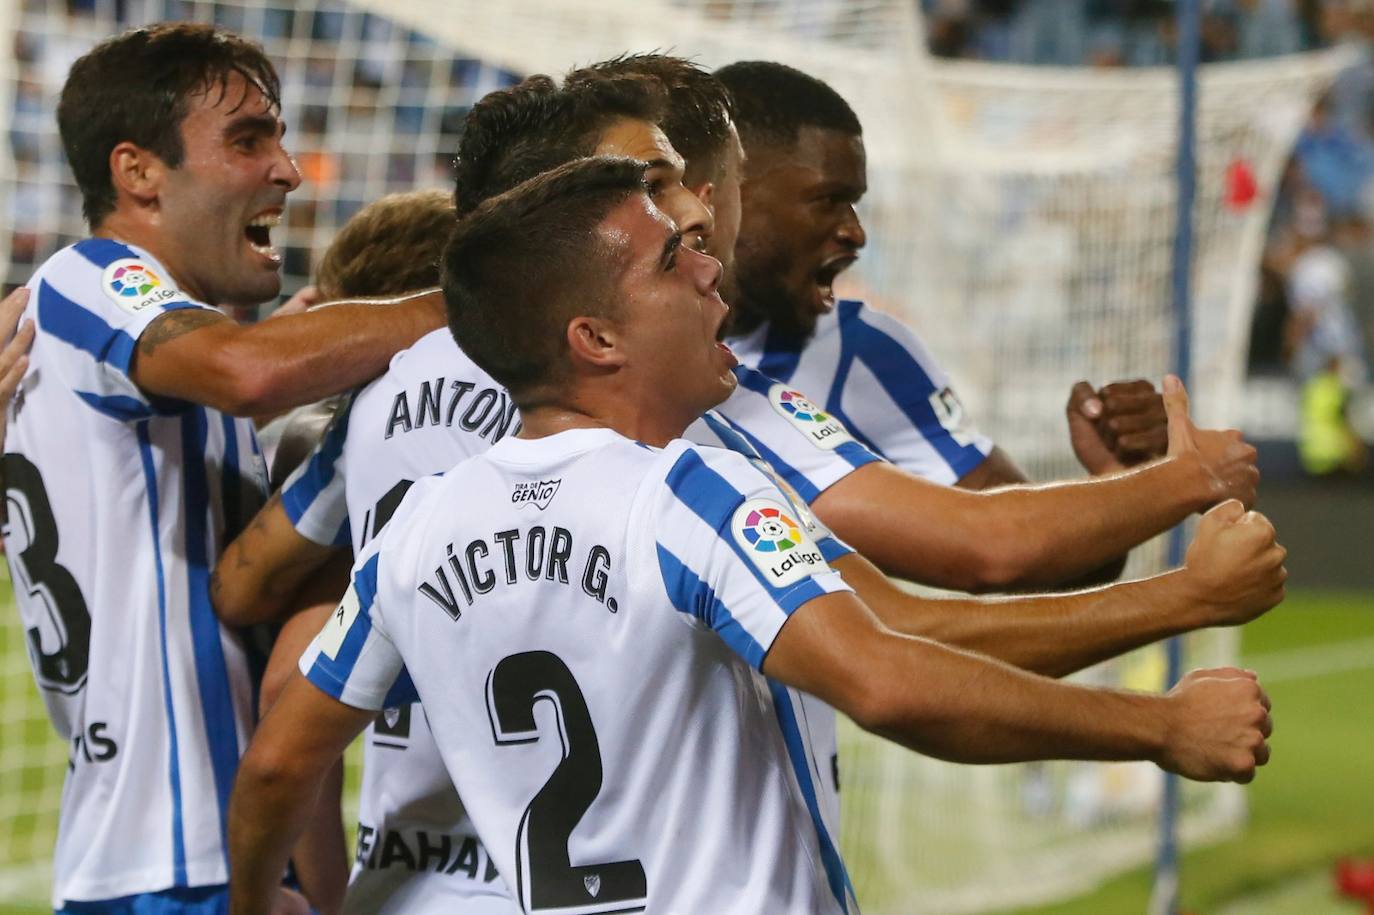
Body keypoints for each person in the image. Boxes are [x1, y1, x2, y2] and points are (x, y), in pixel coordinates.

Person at [212, 63, 1284, 912]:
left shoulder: (408, 456)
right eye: (658, 197)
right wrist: (1174, 621)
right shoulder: (700, 476)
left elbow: (275, 712)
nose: (699, 227)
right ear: (579, 275)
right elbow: (902, 643)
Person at [3, 24, 446, 912]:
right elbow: (251, 372)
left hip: (180, 856)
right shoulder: (87, 278)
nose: (286, 169)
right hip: (177, 854)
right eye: (248, 139)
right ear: (138, 174)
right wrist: (482, 303)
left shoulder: (148, 376)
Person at [713, 60, 1174, 503]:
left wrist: (1120, 478)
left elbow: (1016, 545)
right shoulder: (647, 346)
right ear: (727, 191)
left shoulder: (861, 354)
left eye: (853, 203)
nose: (855, 231)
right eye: (828, 199)